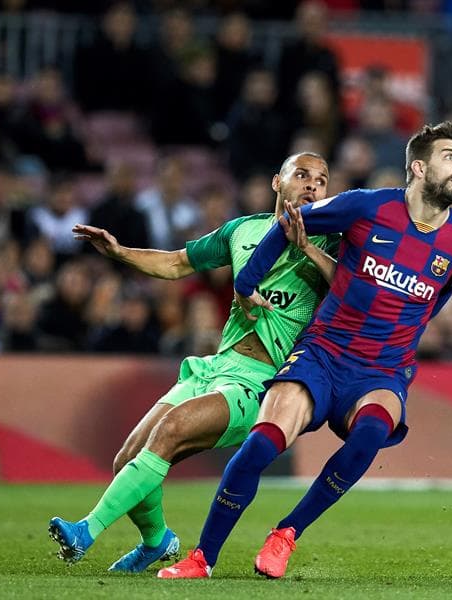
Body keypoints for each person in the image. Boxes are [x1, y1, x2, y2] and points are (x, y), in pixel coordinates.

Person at [158, 121, 452, 580]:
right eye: (450, 156)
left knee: (370, 435)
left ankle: (287, 532)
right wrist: (246, 284)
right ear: (419, 167)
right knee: (261, 444)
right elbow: (291, 223)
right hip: (324, 354)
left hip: (382, 371)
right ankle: (202, 558)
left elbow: (428, 307)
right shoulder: (366, 207)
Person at [47, 152, 338, 573]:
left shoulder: (332, 241)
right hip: (216, 367)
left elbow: (349, 287)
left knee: (170, 431)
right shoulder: (243, 231)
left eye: (322, 180)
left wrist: (307, 247)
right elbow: (177, 262)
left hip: (264, 383)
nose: (312, 185)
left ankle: (85, 532)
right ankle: (156, 541)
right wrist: (118, 251)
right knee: (126, 459)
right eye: (302, 175)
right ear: (278, 182)